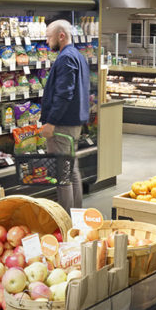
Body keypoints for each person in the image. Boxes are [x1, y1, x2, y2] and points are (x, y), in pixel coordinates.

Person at [39, 19, 91, 210]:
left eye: (48, 37)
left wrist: (51, 123)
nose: (46, 42)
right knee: (71, 171)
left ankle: (66, 220)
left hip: (62, 125)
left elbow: (64, 93)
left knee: (63, 175)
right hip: (73, 123)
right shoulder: (77, 55)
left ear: (61, 36)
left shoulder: (66, 58)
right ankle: (76, 218)